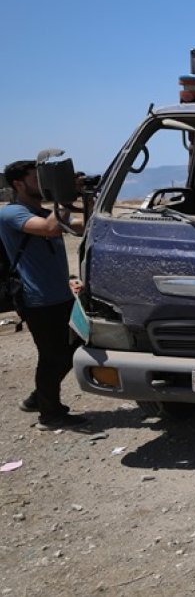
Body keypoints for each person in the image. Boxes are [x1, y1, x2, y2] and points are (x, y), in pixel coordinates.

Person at [0, 160, 87, 429]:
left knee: (74, 347)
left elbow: (82, 226)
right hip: (35, 297)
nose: (44, 185)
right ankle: (50, 415)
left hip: (58, 294)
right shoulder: (12, 213)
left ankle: (39, 399)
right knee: (51, 356)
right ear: (18, 184)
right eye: (37, 179)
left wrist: (85, 198)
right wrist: (62, 194)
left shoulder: (41, 210)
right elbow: (49, 228)